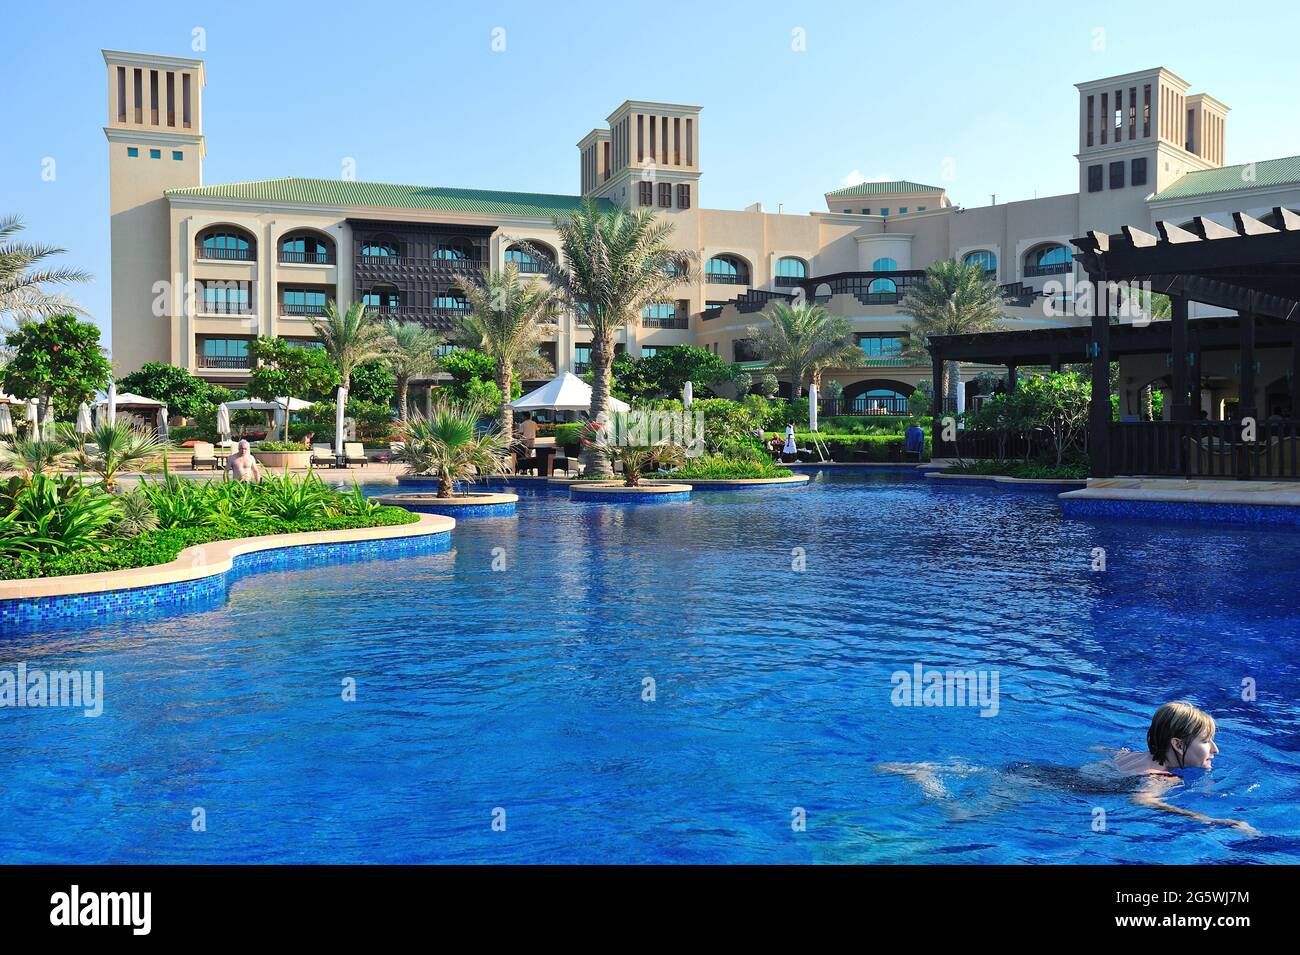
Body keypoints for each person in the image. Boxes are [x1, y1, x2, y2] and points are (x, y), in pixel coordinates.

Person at [878, 702, 1257, 834]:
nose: (1216, 749)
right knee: (960, 815)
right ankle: (925, 778)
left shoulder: (1129, 756)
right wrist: (1215, 821)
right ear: (1177, 744)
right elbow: (1144, 803)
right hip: (1040, 785)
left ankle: (945, 767)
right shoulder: (1163, 777)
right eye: (1207, 741)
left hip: (1037, 771)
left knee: (982, 772)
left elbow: (1105, 750)